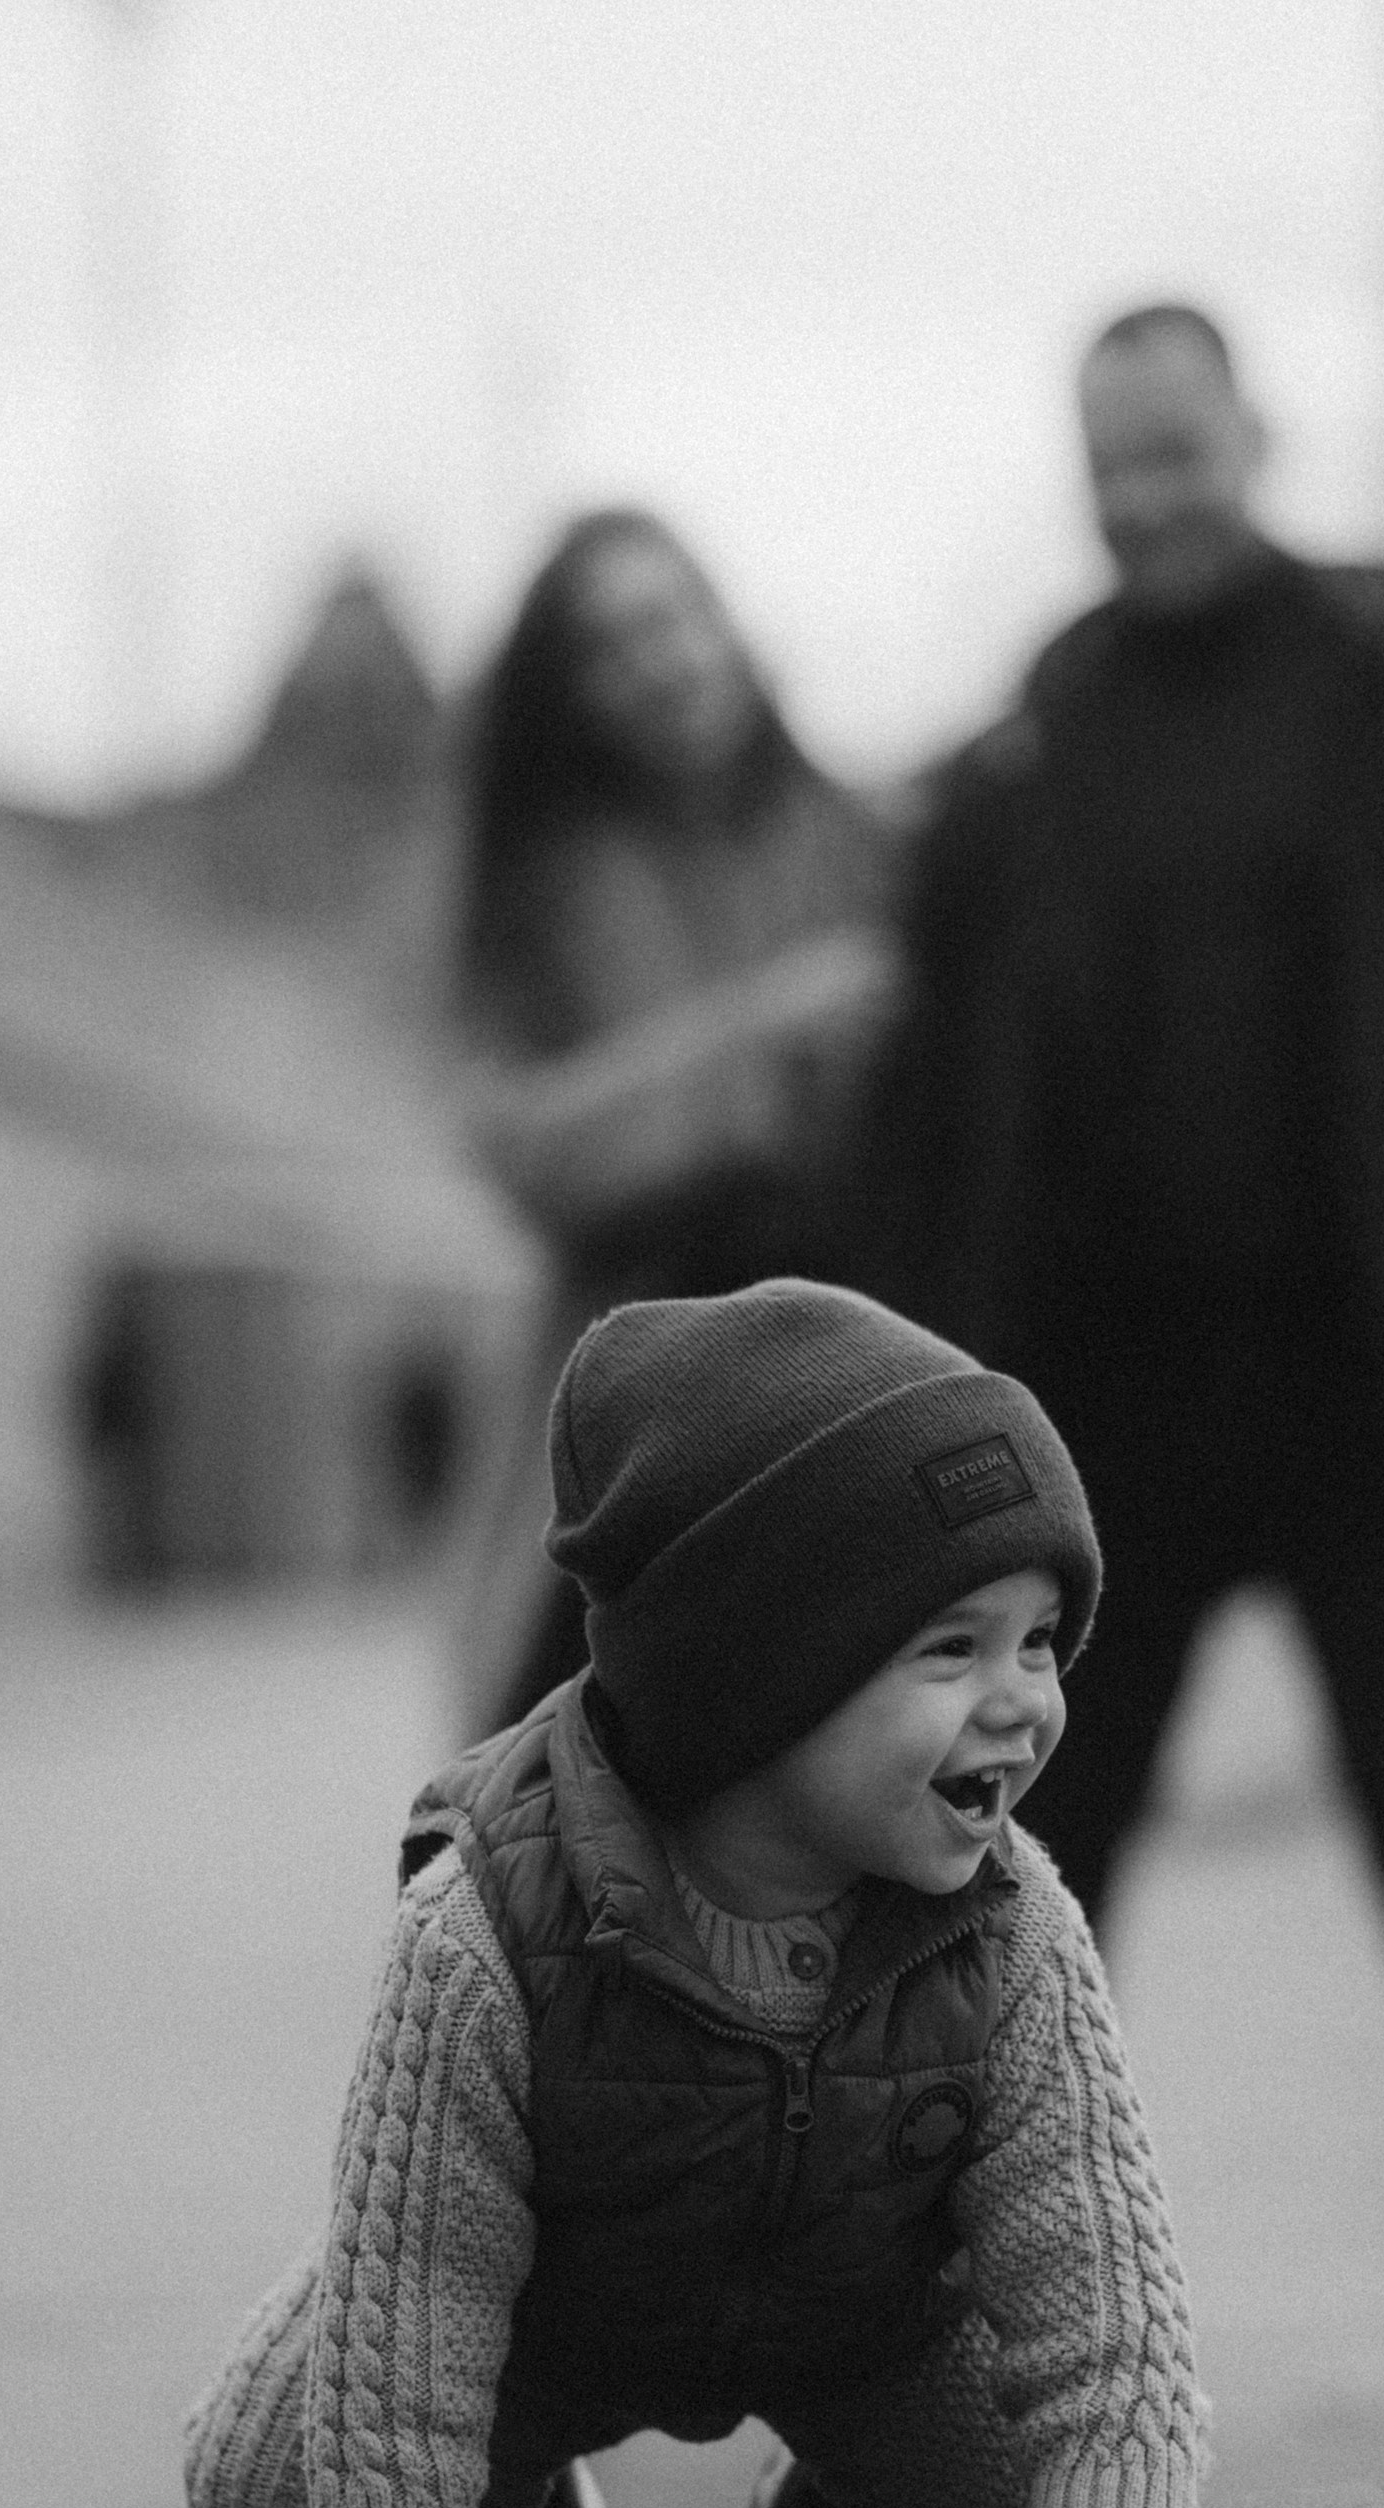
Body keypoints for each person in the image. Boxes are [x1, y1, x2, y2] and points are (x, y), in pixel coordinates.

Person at [862, 303, 1384, 2483]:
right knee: (1021, 1864)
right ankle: (968, 2330)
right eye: (1109, 466)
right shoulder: (1032, 743)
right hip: (1101, 1419)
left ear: (1251, 438)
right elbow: (939, 1103)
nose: (1145, 502)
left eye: (1177, 457)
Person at [183, 1278, 1216, 2508]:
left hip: (863, 2317)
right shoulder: (488, 1926)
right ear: (757, 1684)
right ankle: (511, 2479)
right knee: (269, 2499)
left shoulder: (1006, 1927)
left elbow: (1091, 2239)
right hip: (538, 2320)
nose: (1025, 1696)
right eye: (953, 1648)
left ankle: (836, 2485)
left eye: (1039, 1639)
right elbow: (427, 2257)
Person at [449, 510, 899, 1740]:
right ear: (569, 697)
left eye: (682, 615)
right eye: (613, 645)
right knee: (554, 1839)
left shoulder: (864, 843)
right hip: (634, 1427)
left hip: (859, 1397)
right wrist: (768, 1038)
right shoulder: (538, 896)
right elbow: (524, 1152)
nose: (666, 660)